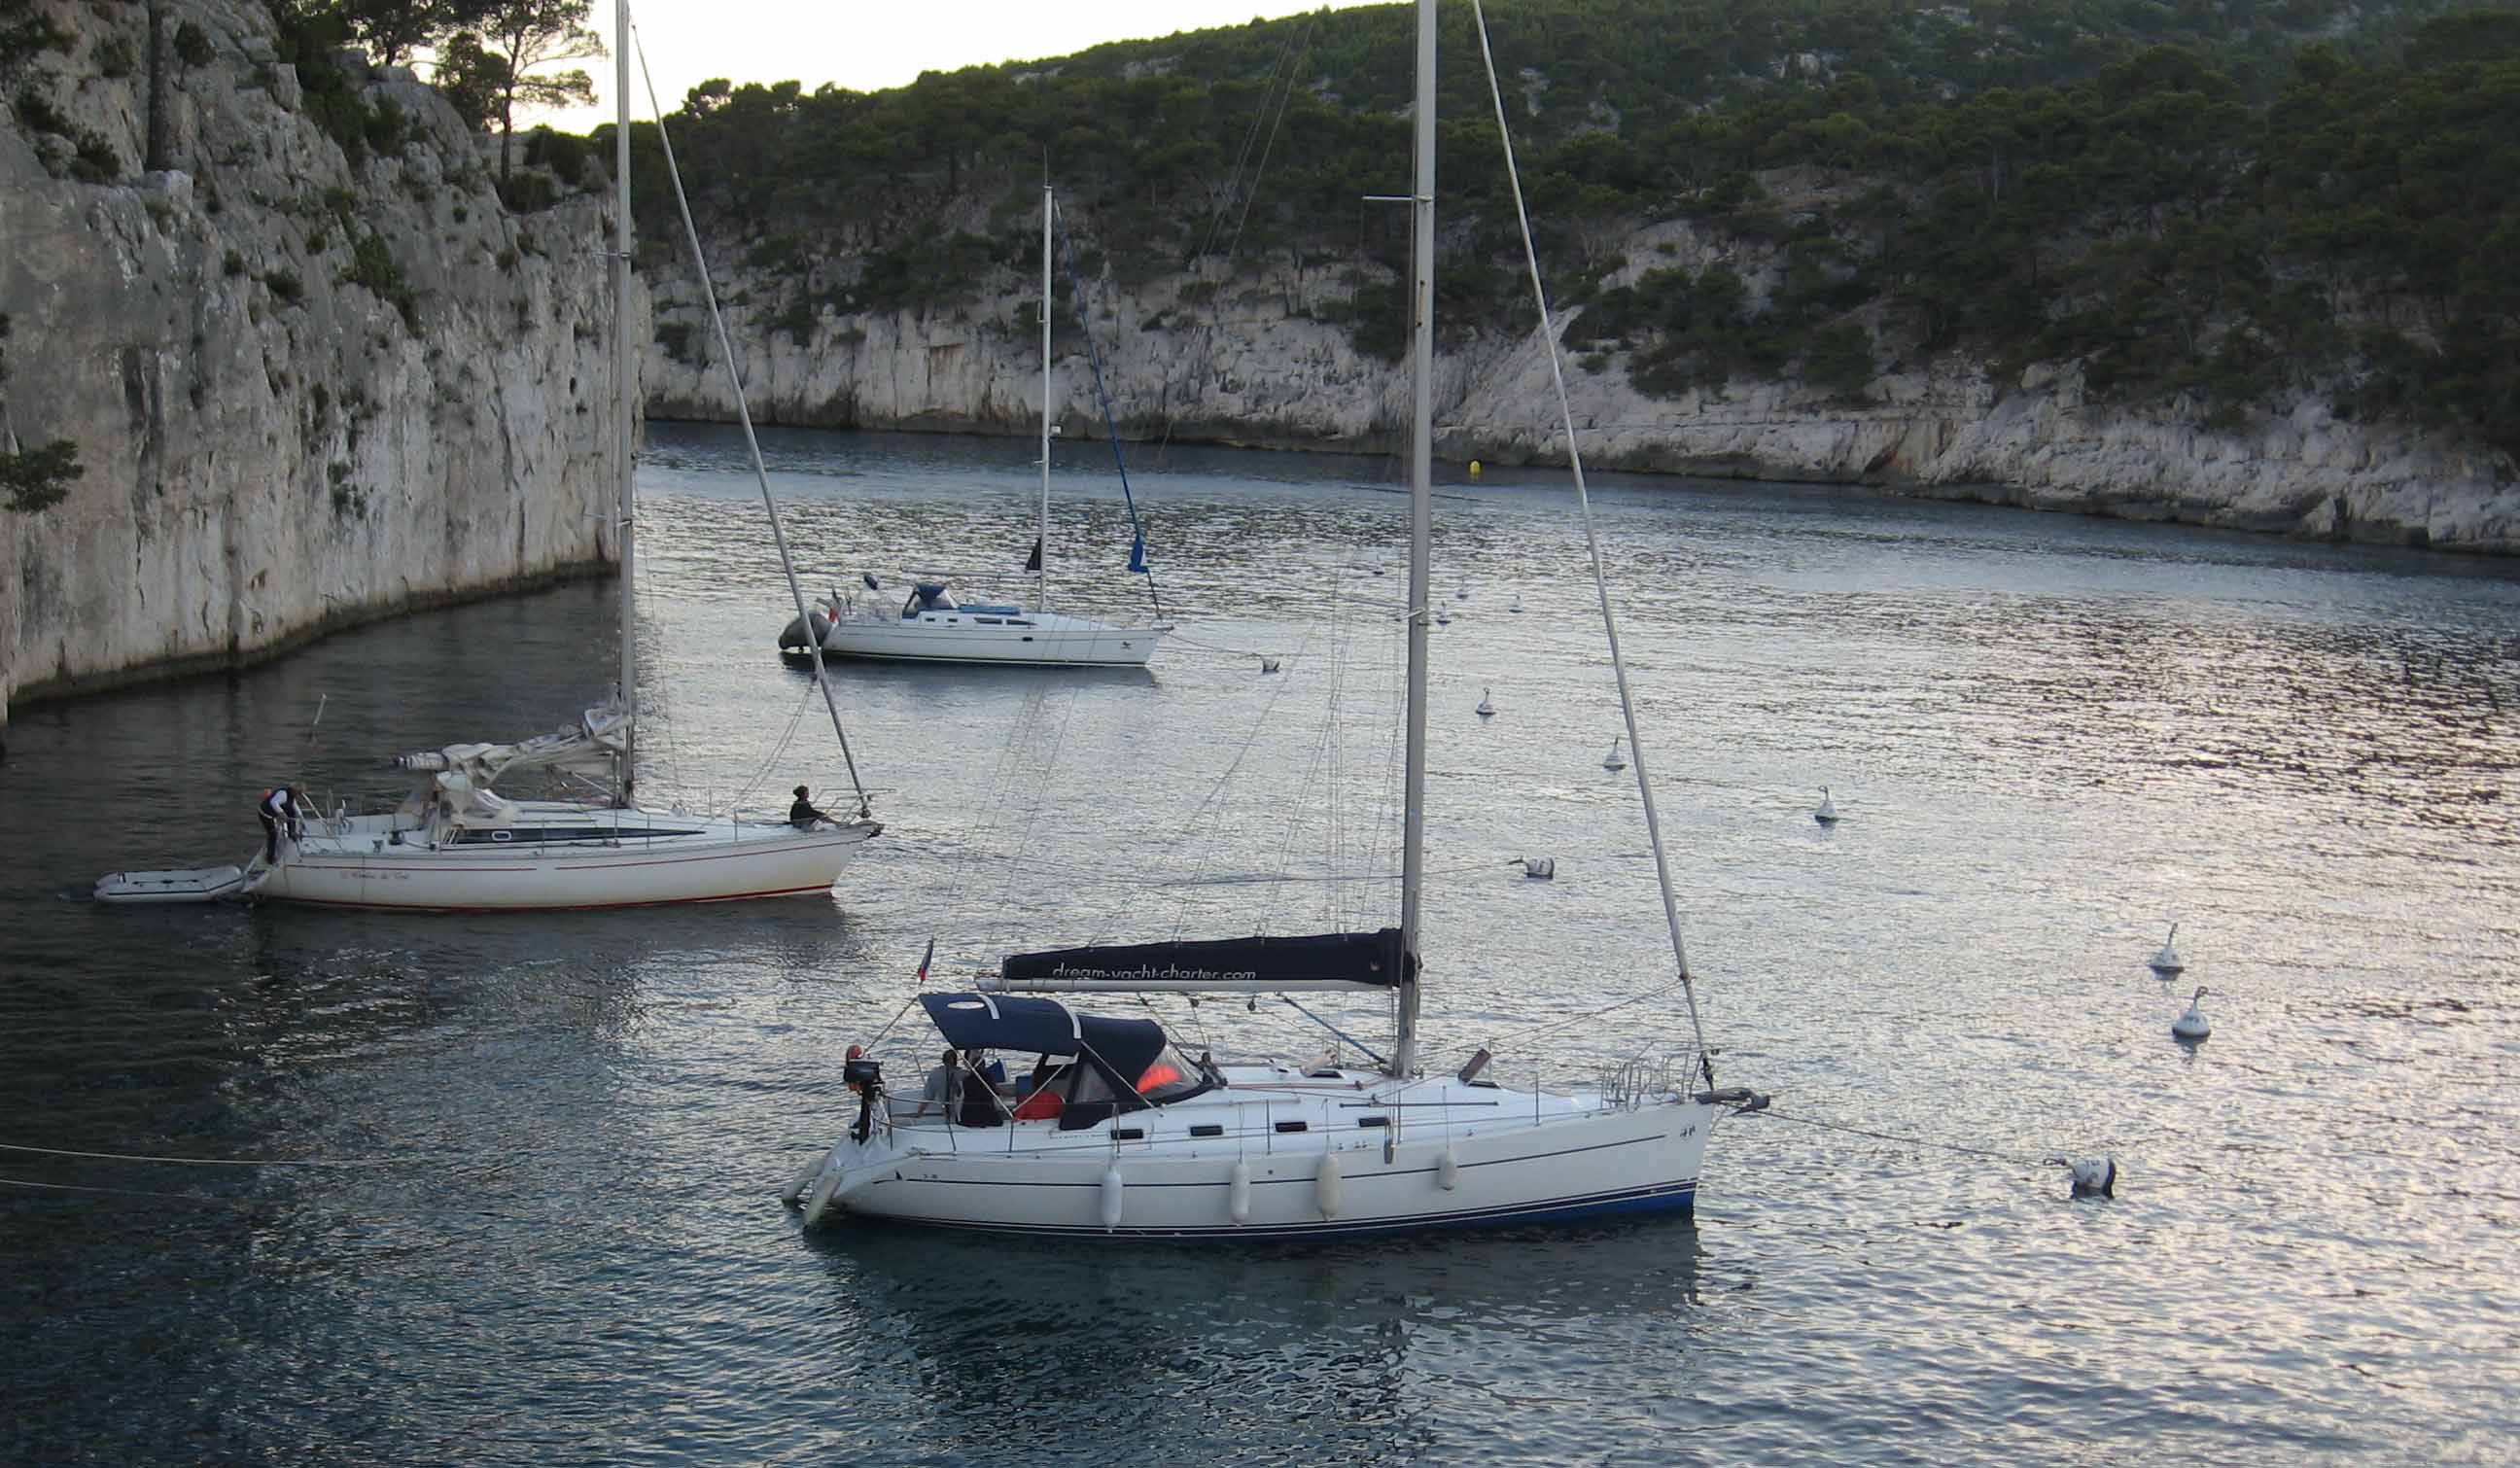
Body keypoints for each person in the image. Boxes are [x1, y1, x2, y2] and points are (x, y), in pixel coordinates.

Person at [257, 786, 302, 863]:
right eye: (299, 793)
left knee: (292, 812)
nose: (300, 795)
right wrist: (282, 814)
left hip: (274, 813)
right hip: (265, 814)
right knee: (273, 834)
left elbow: (295, 806)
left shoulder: (291, 796)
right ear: (295, 792)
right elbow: (273, 803)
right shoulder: (283, 794)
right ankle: (270, 858)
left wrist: (300, 816)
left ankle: (291, 834)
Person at [920, 1048, 961, 1118]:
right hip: (960, 1113)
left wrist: (919, 1113)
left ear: (943, 1060)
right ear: (956, 1061)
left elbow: (928, 1097)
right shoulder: (963, 1074)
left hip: (946, 1112)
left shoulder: (934, 1073)